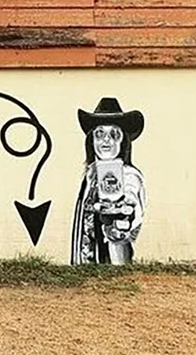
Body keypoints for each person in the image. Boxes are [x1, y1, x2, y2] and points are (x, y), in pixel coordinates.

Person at [70, 97, 146, 265]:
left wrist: (122, 213)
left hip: (112, 259)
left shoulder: (128, 175)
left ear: (122, 141)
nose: (106, 140)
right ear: (91, 140)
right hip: (86, 261)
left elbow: (131, 198)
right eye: (99, 134)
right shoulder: (91, 174)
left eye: (113, 135)